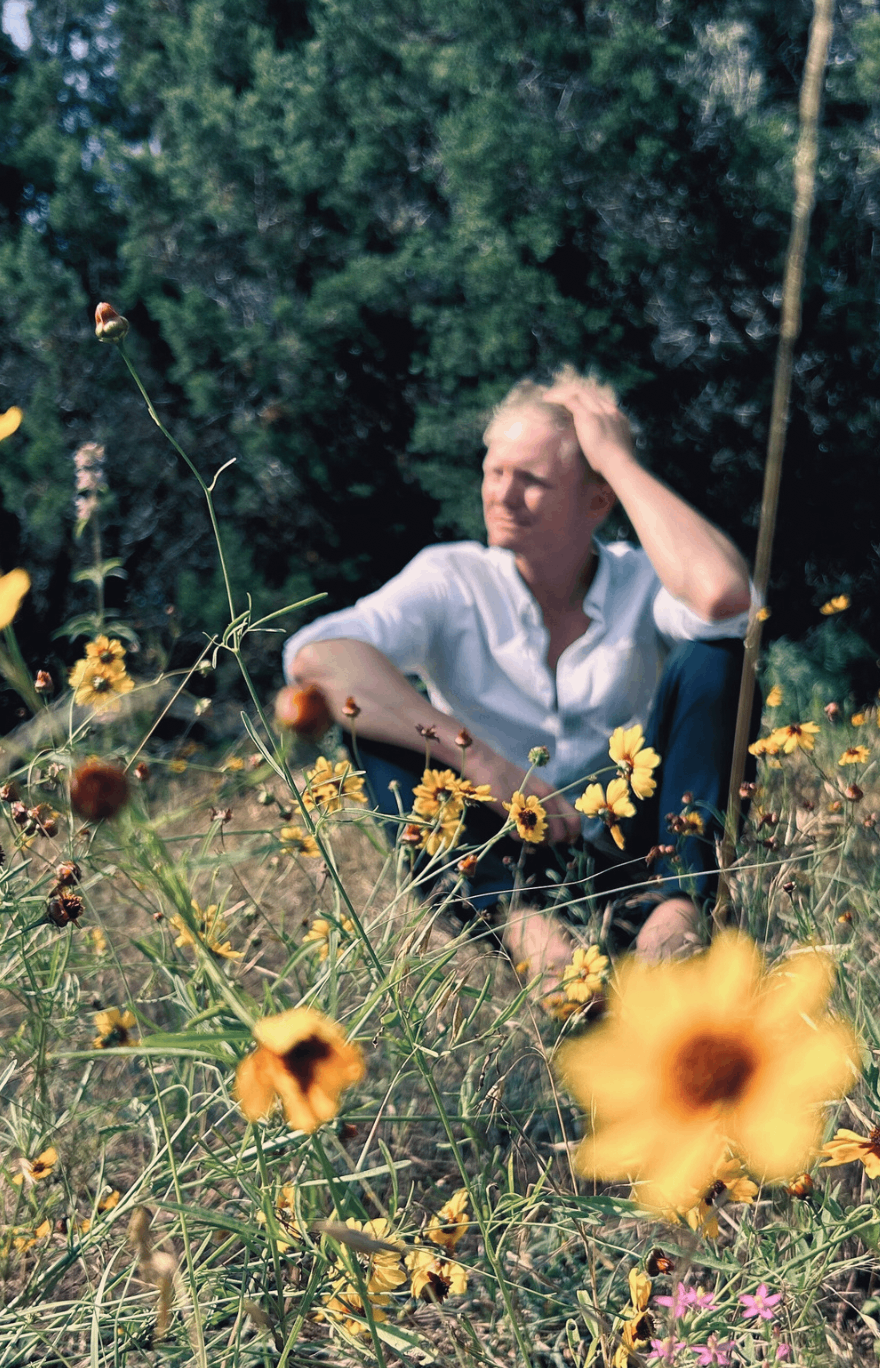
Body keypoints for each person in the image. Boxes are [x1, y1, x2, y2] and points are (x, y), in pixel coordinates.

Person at [284, 368, 754, 973]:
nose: (501, 496)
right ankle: (530, 937)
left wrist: (616, 459)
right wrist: (478, 757)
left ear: (597, 500)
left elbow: (723, 599)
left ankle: (677, 911)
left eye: (531, 480)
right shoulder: (452, 578)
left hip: (636, 846)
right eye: (494, 472)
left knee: (717, 657)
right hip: (502, 855)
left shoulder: (643, 580)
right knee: (371, 720)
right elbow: (318, 656)